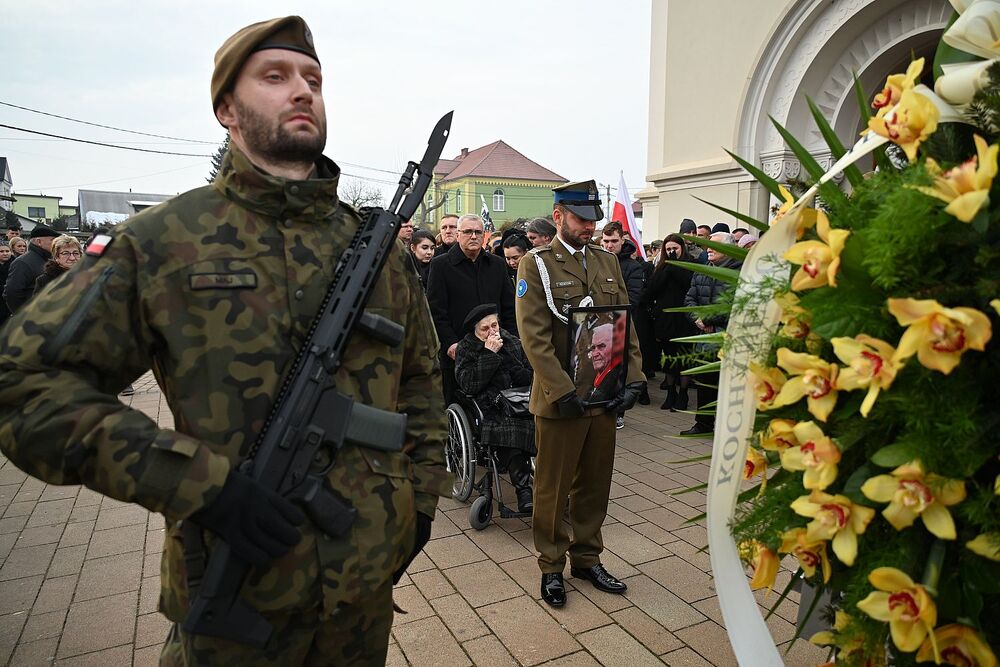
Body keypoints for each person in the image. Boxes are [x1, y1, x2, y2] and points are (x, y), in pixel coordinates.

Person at [0, 17, 452, 665]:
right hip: (235, 602)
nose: (303, 91)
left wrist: (420, 508)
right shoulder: (161, 242)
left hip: (361, 597)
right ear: (226, 111)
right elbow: (26, 390)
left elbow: (423, 390)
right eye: (275, 77)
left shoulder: (375, 249)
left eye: (313, 79)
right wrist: (205, 487)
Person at [515, 179, 646, 609]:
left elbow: (623, 324)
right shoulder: (536, 265)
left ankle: (587, 558)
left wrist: (635, 378)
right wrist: (562, 389)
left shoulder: (607, 261)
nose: (589, 228)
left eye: (593, 220)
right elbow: (534, 337)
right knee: (553, 488)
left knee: (594, 483)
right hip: (561, 398)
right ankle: (551, 566)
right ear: (558, 217)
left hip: (602, 394)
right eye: (580, 220)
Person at [426, 213, 516, 405]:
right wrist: (450, 344)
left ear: (484, 235)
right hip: (458, 351)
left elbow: (509, 308)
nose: (473, 236)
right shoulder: (441, 265)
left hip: (497, 347)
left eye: (477, 232)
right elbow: (436, 311)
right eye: (467, 232)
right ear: (458, 235)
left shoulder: (497, 264)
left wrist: (514, 341)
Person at [454, 303, 535, 513]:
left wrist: (515, 367)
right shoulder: (466, 349)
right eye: (485, 328)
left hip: (520, 401)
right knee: (511, 429)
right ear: (475, 330)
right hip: (490, 407)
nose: (492, 331)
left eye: (494, 325)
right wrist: (489, 355)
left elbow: (530, 374)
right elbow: (468, 384)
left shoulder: (511, 341)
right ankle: (524, 490)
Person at [680, 232, 740, 436]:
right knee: (705, 382)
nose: (709, 249)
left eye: (714, 245)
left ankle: (729, 428)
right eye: (707, 245)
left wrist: (708, 320)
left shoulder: (739, 273)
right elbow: (689, 299)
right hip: (705, 339)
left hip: (728, 338)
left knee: (729, 385)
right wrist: (697, 318)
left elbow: (735, 304)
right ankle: (703, 424)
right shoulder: (702, 270)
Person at [639, 234, 697, 410]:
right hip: (666, 319)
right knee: (669, 358)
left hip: (684, 319)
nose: (672, 252)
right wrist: (666, 267)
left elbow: (688, 283)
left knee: (684, 358)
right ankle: (671, 392)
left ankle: (683, 393)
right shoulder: (662, 266)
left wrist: (674, 267)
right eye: (669, 249)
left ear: (682, 249)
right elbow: (653, 289)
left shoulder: (691, 264)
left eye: (675, 249)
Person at [600, 221, 650, 417]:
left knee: (620, 372)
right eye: (605, 241)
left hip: (622, 326)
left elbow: (632, 299)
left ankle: (618, 412)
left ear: (622, 240)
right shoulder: (597, 261)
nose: (609, 245)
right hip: (599, 327)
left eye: (613, 240)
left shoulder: (633, 267)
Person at [4, 224, 59, 313]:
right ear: (39, 241)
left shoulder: (50, 259)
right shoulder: (22, 263)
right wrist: (24, 316)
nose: (56, 243)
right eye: (53, 240)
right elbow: (12, 293)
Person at [0, 244, 12, 326]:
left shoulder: (16, 264)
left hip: (9, 302)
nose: (5, 253)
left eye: (7, 251)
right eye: (1, 251)